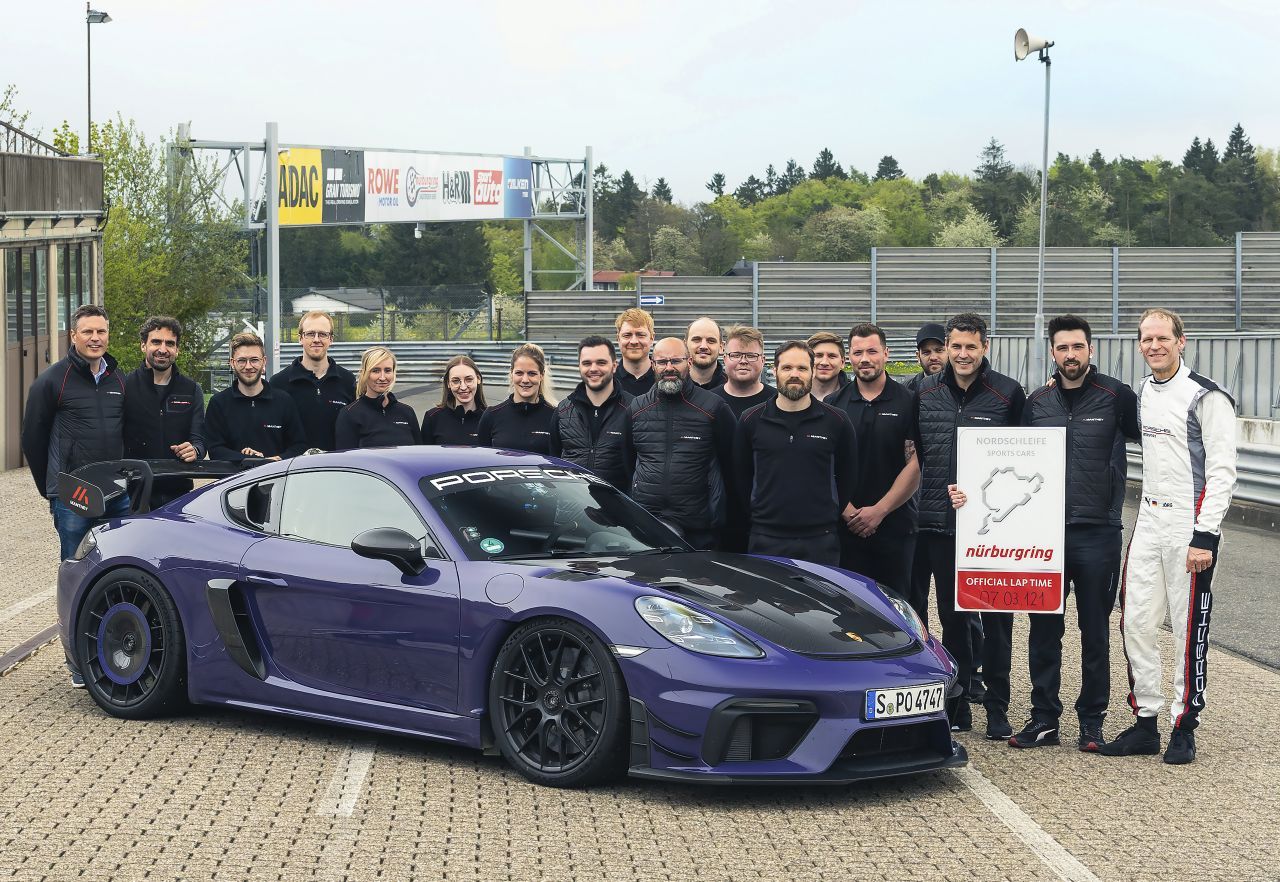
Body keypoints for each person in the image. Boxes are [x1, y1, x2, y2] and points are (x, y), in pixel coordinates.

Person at [991, 314, 1139, 753]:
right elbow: (1009, 459)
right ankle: (1044, 719)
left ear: (1090, 350)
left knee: (1095, 632)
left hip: (1098, 533)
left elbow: (1154, 442)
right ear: (1052, 352)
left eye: (1078, 347)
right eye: (1062, 348)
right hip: (1044, 536)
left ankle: (1092, 722)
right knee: (1043, 630)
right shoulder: (1036, 402)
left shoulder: (1117, 396)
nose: (1070, 355)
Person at [1099, 308, 1237, 765]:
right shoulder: (1142, 392)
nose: (1154, 346)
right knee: (1135, 619)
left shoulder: (1206, 398)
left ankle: (1184, 724)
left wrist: (1206, 536)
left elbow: (1222, 474)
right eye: (1146, 339)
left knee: (1186, 626)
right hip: (1149, 519)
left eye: (1162, 338)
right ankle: (1146, 722)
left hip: (1189, 525)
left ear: (1182, 341)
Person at [914, 312, 1025, 738]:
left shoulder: (1008, 394)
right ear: (947, 346)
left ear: (985, 347)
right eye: (955, 346)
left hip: (994, 530)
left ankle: (997, 707)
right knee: (953, 619)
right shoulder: (923, 391)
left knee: (998, 622)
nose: (962, 355)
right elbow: (917, 456)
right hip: (940, 525)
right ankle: (958, 703)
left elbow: (1025, 459)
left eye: (970, 347)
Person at [22, 304, 130, 563]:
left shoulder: (119, 379)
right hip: (74, 495)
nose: (95, 338)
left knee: (118, 565)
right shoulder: (51, 380)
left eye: (101, 331)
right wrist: (53, 489)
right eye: (88, 331)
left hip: (116, 492)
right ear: (73, 336)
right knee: (76, 567)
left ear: (108, 335)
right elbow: (32, 439)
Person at [734, 341, 857, 566]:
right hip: (766, 538)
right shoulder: (750, 420)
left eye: (802, 368)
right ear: (774, 371)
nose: (794, 374)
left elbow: (848, 476)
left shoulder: (836, 421)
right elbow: (741, 477)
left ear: (812, 371)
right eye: (787, 368)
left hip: (821, 540)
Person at [829, 323, 920, 596]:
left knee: (896, 609)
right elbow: (825, 463)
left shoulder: (909, 402)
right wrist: (847, 510)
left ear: (886, 353)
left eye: (872, 351)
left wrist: (879, 510)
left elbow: (916, 463)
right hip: (846, 527)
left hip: (895, 527)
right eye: (858, 352)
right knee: (848, 611)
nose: (865, 359)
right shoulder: (834, 404)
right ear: (849, 357)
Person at [626, 337, 737, 549]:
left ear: (689, 362)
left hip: (700, 530)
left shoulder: (713, 407)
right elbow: (627, 460)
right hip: (646, 526)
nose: (669, 368)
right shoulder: (636, 408)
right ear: (652, 364)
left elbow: (732, 464)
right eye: (662, 362)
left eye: (676, 361)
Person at [123, 316, 208, 508]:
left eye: (170, 343)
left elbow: (200, 441)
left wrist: (194, 451)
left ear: (177, 349)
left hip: (178, 494)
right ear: (143, 346)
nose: (163, 349)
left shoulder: (192, 390)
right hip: (133, 495)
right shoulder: (124, 387)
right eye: (156, 342)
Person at [205, 332, 308, 462]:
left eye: (254, 360)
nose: (248, 366)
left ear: (264, 361)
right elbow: (215, 450)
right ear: (232, 363)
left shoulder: (284, 401)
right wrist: (250, 460)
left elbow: (299, 446)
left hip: (277, 479)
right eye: (242, 360)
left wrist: (276, 460)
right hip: (236, 481)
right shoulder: (218, 403)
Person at [550, 335, 633, 489]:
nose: (593, 369)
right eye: (587, 363)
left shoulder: (634, 409)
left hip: (617, 510)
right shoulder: (563, 410)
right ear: (579, 367)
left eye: (601, 362)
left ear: (614, 366)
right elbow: (554, 460)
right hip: (571, 509)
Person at [269, 311, 356, 450]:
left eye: (322, 334)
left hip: (336, 467)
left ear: (331, 339)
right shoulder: (278, 383)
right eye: (310, 334)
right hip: (293, 468)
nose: (316, 339)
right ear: (300, 338)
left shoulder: (347, 381)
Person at [477, 343, 557, 454]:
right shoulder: (491, 416)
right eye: (519, 373)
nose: (525, 379)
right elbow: (483, 461)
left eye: (532, 373)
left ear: (541, 375)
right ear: (511, 374)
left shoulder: (556, 417)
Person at [335, 347, 422, 449]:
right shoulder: (349, 414)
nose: (382, 377)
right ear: (364, 373)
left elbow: (418, 454)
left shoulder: (407, 412)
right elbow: (346, 459)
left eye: (387, 370)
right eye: (376, 371)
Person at [713, 325, 776, 418]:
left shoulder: (777, 401)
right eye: (736, 355)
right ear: (725, 359)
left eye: (751, 356)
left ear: (763, 360)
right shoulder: (710, 401)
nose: (743, 361)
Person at [421, 355, 486, 444]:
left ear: (478, 379)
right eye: (455, 381)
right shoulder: (433, 417)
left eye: (469, 379)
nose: (463, 387)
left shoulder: (490, 418)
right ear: (448, 383)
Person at [614, 307, 656, 396]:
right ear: (618, 339)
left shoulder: (665, 378)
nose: (634, 341)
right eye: (627, 335)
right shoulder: (607, 381)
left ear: (652, 338)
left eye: (640, 335)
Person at [807, 332, 850, 400]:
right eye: (818, 355)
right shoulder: (793, 393)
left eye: (832, 356)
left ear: (842, 362)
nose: (824, 362)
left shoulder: (858, 395)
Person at [686, 316, 727, 390]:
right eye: (696, 340)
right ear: (685, 345)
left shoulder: (733, 387)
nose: (703, 346)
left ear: (721, 347)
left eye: (711, 341)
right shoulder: (673, 387)